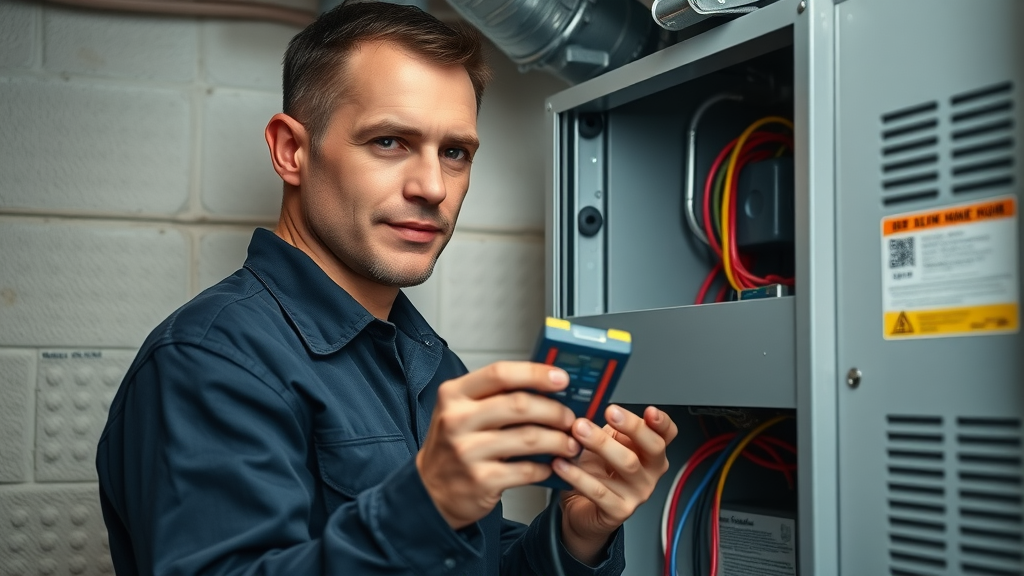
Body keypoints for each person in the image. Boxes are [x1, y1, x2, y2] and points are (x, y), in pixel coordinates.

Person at [96, 2, 678, 574]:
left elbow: (471, 562)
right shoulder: (212, 362)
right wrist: (425, 506)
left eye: (455, 152)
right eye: (389, 142)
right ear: (290, 150)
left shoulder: (433, 364)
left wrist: (574, 537)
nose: (432, 186)